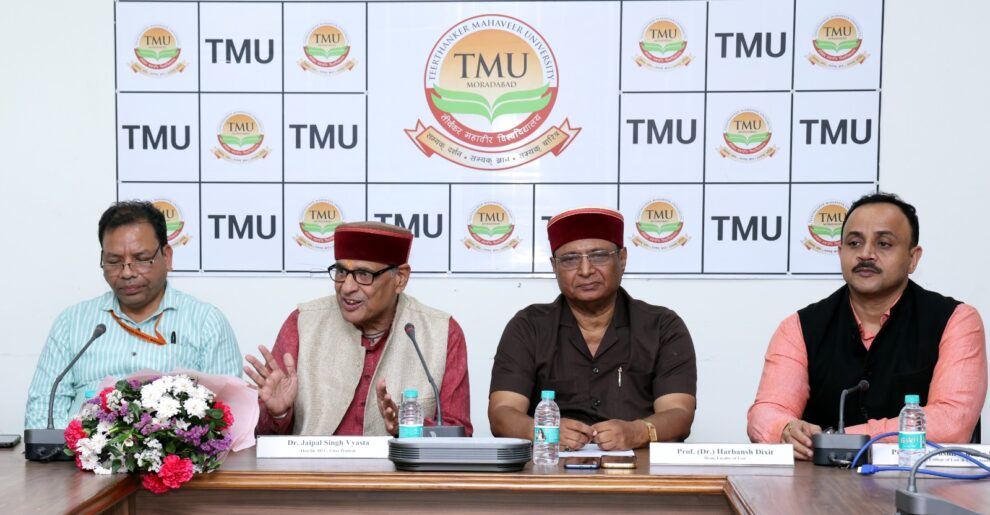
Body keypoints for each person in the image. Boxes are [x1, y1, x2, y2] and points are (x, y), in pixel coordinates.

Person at [748, 193, 987, 460]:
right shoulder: (799, 327)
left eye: (884, 244)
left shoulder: (956, 321)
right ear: (840, 252)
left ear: (913, 258)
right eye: (854, 243)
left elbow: (952, 423)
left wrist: (839, 438)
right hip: (821, 482)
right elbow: (766, 413)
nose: (866, 254)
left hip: (923, 480)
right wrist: (786, 429)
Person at [488, 207, 697, 451]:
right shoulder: (529, 327)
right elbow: (502, 413)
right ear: (554, 266)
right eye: (570, 259)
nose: (586, 271)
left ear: (622, 259)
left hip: (638, 468)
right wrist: (544, 431)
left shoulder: (662, 327)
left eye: (598, 256)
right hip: (550, 468)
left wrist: (636, 432)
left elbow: (679, 414)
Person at [24, 201, 242, 429]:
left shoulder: (206, 322)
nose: (127, 273)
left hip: (174, 451)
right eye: (114, 262)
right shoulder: (72, 323)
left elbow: (227, 418)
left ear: (167, 256)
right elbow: (41, 413)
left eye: (141, 259)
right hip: (80, 450)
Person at [248, 221, 472, 436]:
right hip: (313, 464)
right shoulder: (302, 324)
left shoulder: (443, 333)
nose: (347, 287)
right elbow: (259, 434)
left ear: (400, 279)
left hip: (397, 465)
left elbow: (458, 434)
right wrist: (278, 413)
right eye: (341, 272)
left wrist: (409, 427)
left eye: (364, 274)